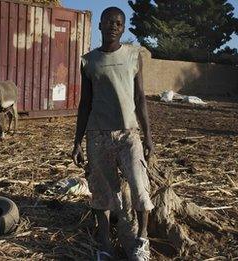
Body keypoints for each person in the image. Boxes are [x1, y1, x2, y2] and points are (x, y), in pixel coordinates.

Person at [71, 6, 154, 261]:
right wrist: (77, 142)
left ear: (123, 27)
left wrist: (148, 136)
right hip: (97, 135)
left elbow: (140, 99)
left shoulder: (133, 55)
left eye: (118, 23)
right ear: (100, 26)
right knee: (102, 193)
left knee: (140, 187)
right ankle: (105, 245)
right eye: (108, 22)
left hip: (129, 134)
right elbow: (85, 104)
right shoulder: (89, 61)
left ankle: (141, 240)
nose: (113, 26)